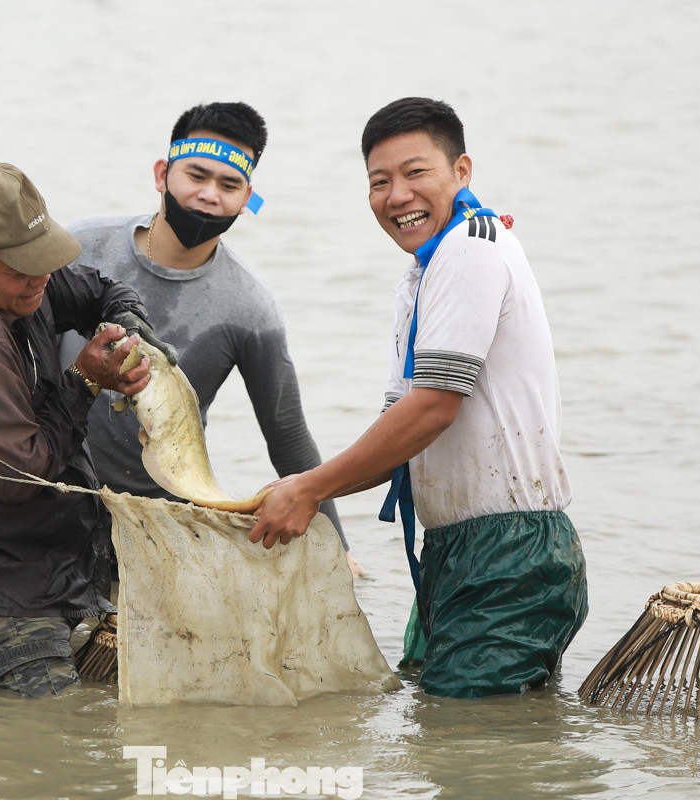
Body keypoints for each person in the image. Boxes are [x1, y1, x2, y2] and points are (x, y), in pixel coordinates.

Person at [246, 97, 587, 698]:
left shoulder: (470, 248)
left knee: (471, 746)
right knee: (451, 735)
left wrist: (309, 489)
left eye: (415, 172)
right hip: (456, 551)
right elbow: (398, 428)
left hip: (509, 552)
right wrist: (295, 490)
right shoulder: (425, 272)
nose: (397, 195)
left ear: (462, 171)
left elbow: (434, 407)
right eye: (380, 182)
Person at [59, 101, 365, 577]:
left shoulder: (249, 308)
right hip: (51, 488)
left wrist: (337, 549)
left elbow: (287, 437)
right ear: (162, 174)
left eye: (229, 185)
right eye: (196, 176)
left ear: (247, 198)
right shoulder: (80, 248)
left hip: (157, 518)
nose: (208, 195)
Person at [0, 159, 176, 697]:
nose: (39, 280)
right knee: (51, 725)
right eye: (19, 269)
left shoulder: (28, 288)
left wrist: (130, 330)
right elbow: (19, 478)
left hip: (69, 579)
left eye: (43, 262)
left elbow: (103, 289)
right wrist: (85, 379)